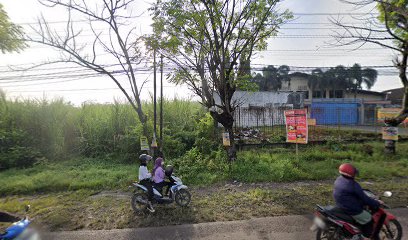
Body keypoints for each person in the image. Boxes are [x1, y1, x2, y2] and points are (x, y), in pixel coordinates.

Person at [333, 163, 382, 239]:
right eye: (354, 173)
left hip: (341, 204)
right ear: (351, 174)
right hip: (351, 209)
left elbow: (354, 193)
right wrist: (377, 203)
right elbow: (365, 199)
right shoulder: (353, 185)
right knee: (368, 218)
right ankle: (365, 236)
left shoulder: (339, 179)